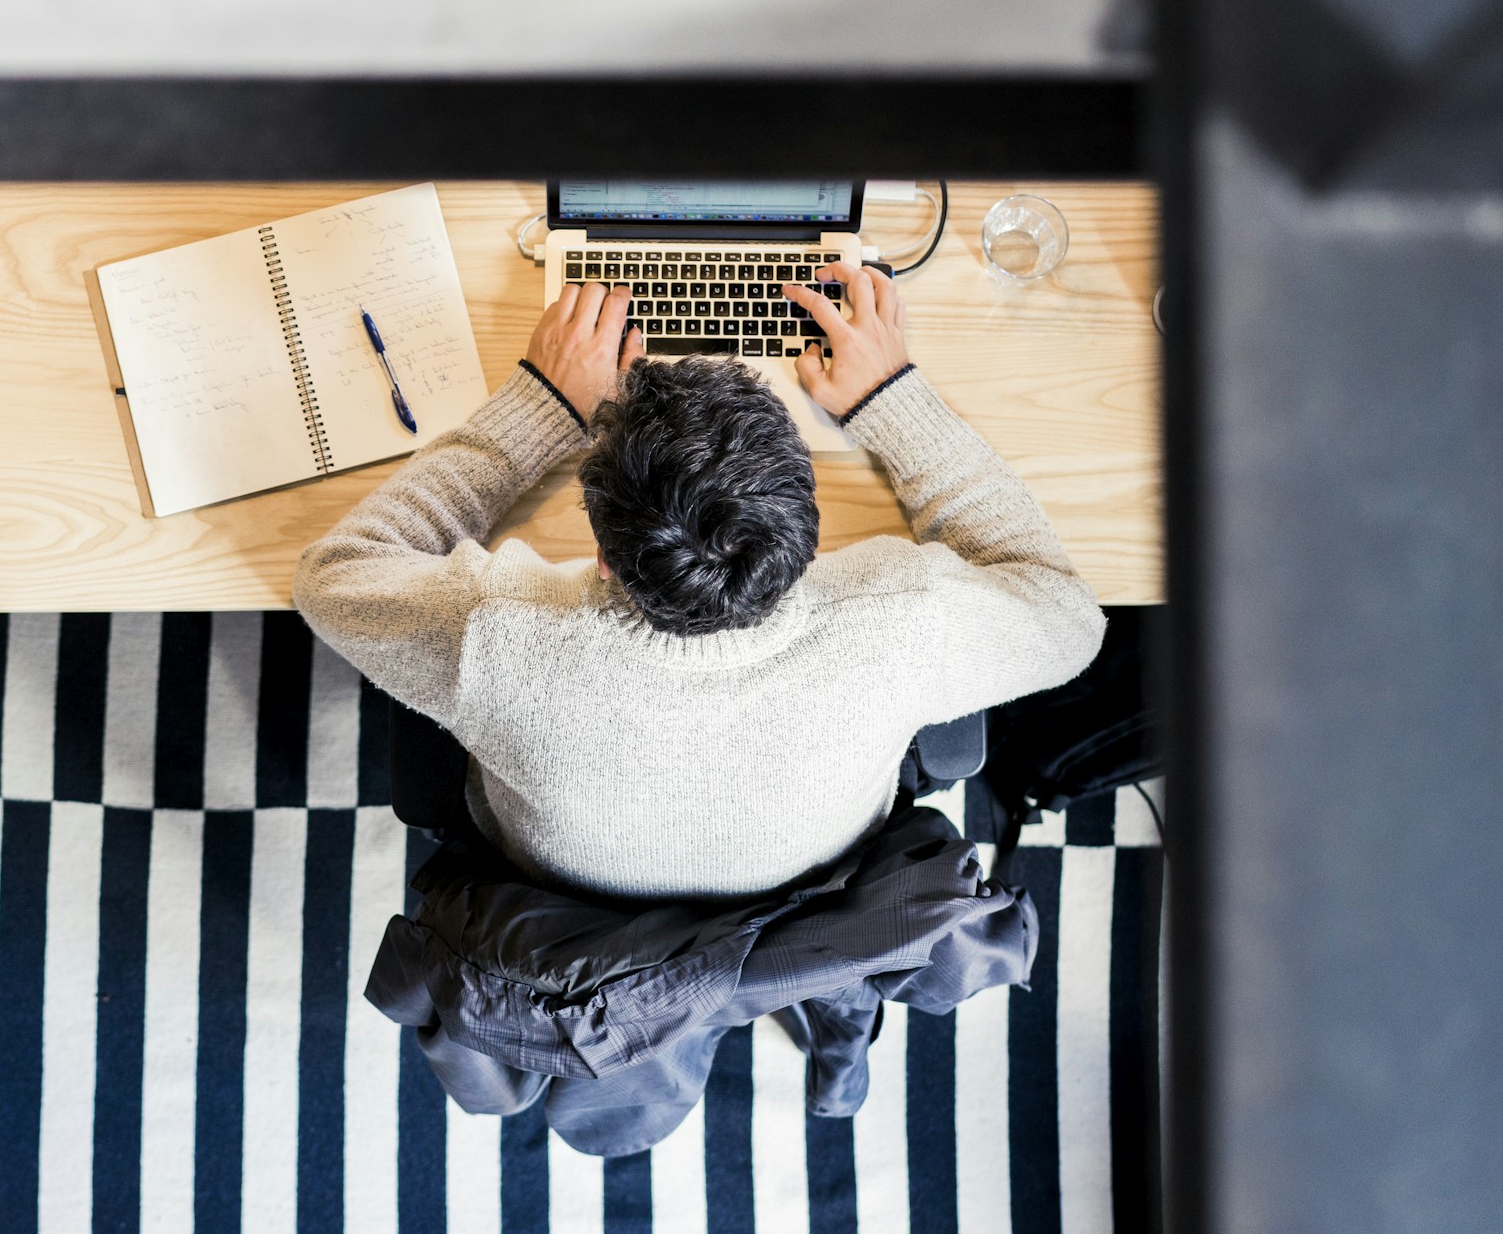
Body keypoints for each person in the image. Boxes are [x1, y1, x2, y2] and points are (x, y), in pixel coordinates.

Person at [294, 265, 1104, 900]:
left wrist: (542, 407)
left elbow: (336, 573)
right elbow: (1066, 611)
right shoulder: (898, 621)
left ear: (604, 558)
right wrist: (891, 401)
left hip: (558, 907)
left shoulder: (500, 633)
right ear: (806, 534)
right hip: (810, 900)